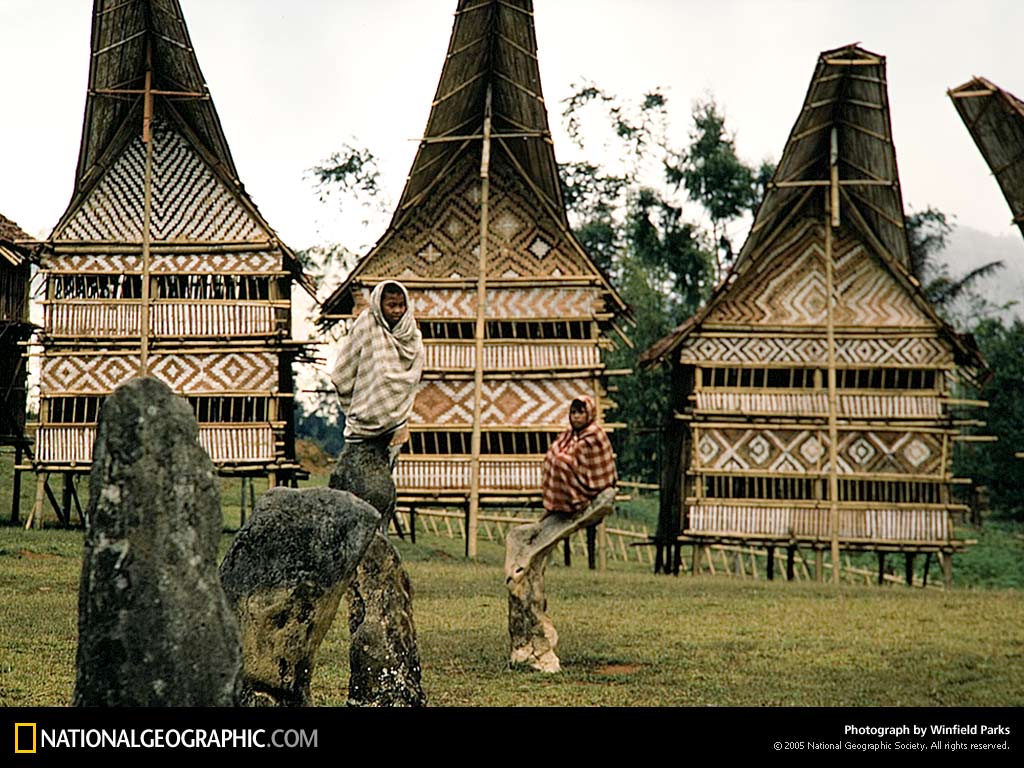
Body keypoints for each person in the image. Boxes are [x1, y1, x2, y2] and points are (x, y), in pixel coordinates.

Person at [331, 280, 424, 467]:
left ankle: (395, 427)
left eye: (401, 305)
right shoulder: (366, 324)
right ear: (379, 305)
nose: (397, 311)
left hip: (398, 419)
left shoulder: (411, 332)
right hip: (365, 413)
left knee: (385, 468)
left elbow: (412, 374)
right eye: (391, 305)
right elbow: (344, 370)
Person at [541, 395, 617, 518]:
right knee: (552, 457)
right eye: (573, 412)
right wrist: (554, 453)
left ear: (589, 414)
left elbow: (576, 453)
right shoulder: (570, 432)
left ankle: (579, 503)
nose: (576, 416)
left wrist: (562, 457)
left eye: (581, 412)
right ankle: (558, 504)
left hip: (593, 483)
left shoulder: (594, 433)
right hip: (577, 478)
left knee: (562, 462)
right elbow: (557, 446)